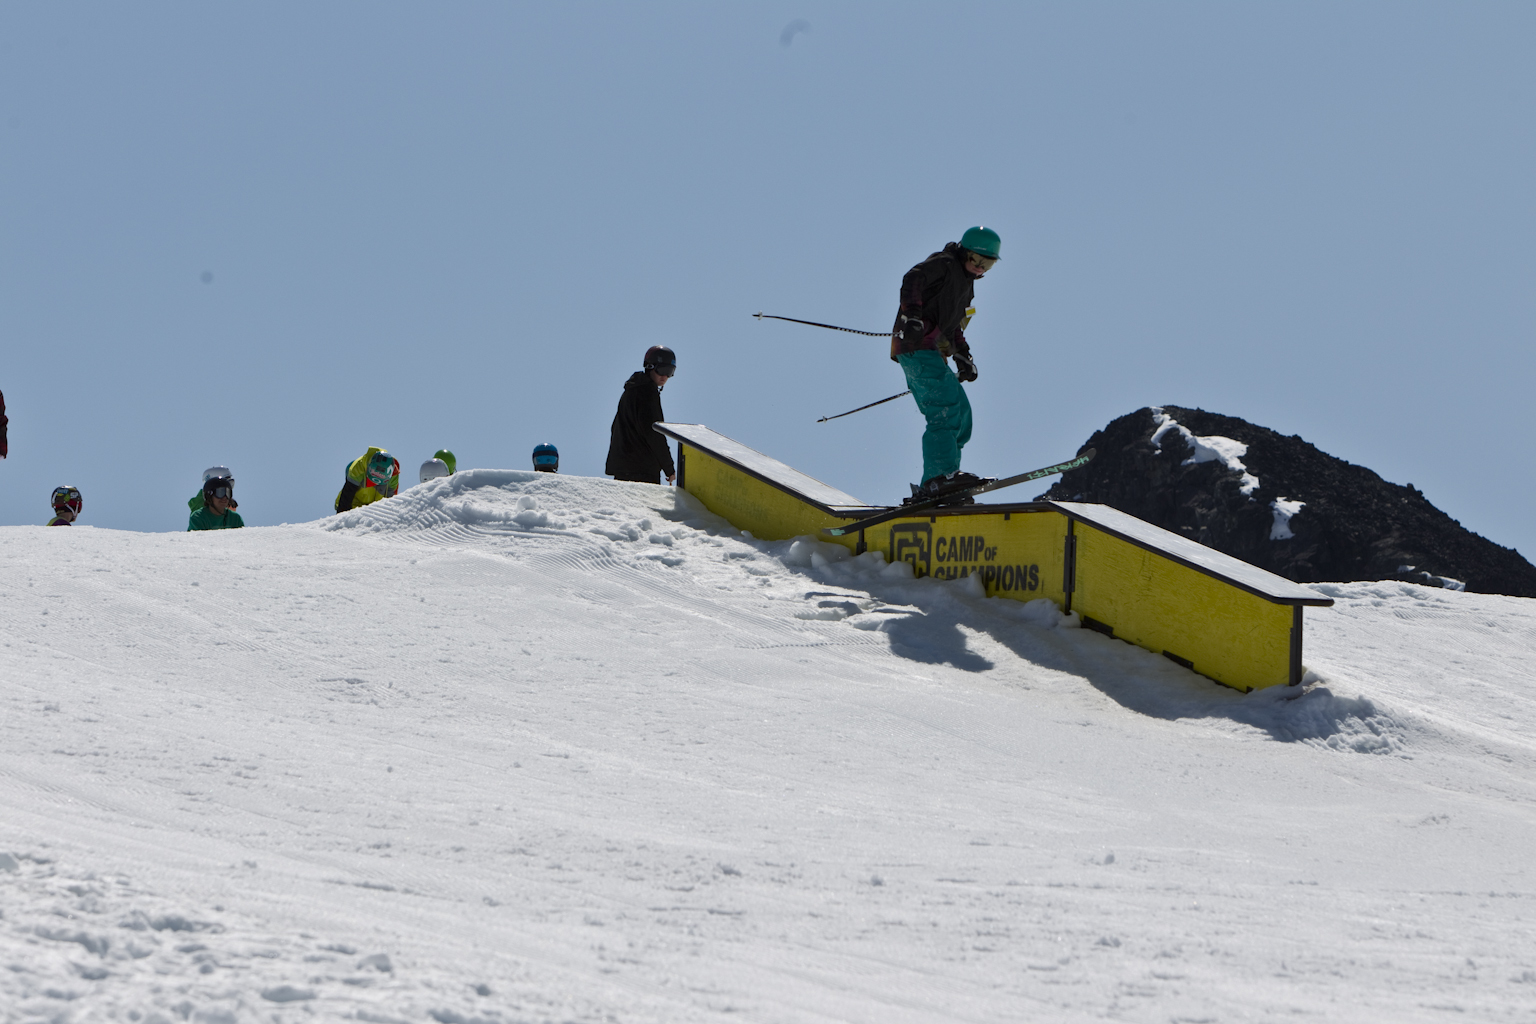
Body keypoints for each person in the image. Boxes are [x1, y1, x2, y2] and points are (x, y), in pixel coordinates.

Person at [891, 226, 1000, 499]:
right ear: (964, 251)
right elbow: (913, 278)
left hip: (933, 352)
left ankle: (943, 483)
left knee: (961, 415)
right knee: (944, 408)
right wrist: (912, 315)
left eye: (988, 263)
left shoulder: (966, 285)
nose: (980, 267)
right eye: (976, 259)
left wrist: (963, 354)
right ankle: (939, 478)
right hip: (916, 346)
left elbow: (954, 326)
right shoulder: (945, 263)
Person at [606, 346, 676, 484]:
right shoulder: (647, 393)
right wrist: (669, 467)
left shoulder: (631, 390)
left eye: (670, 372)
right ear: (650, 367)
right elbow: (654, 432)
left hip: (623, 469)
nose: (665, 376)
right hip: (643, 470)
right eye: (662, 370)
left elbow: (616, 428)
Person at [334, 448, 400, 513]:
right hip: (353, 505)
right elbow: (347, 494)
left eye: (381, 475)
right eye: (374, 472)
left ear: (389, 474)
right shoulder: (358, 467)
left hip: (375, 509)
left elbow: (390, 499)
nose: (376, 477)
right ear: (369, 465)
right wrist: (342, 512)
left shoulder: (393, 475)